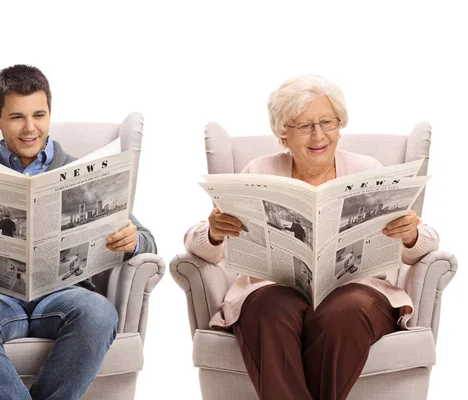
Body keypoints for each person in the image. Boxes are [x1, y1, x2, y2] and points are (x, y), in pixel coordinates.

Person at [0, 64, 157, 400]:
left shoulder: (82, 172)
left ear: (50, 113)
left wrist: (134, 241)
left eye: (39, 114)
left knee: (100, 313)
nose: (30, 128)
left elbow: (148, 241)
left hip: (67, 295)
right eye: (17, 117)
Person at [184, 74, 439, 400]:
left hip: (358, 293)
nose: (319, 135)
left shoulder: (368, 171)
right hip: (276, 292)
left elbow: (426, 245)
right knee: (268, 309)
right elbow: (199, 248)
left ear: (339, 124)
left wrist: (412, 234)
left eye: (327, 122)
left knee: (342, 312)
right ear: (282, 135)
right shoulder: (258, 172)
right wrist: (214, 232)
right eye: (304, 126)